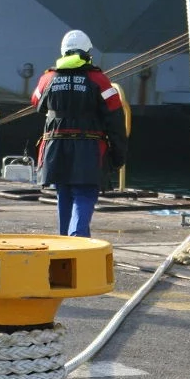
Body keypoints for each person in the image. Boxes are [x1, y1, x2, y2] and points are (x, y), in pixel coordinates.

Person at [30, 29, 127, 237]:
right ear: (87, 53)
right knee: (84, 194)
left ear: (63, 53)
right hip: (88, 148)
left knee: (64, 193)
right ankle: (78, 243)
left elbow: (36, 103)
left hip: (55, 148)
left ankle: (67, 246)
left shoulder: (48, 78)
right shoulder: (99, 80)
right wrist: (119, 154)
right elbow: (115, 117)